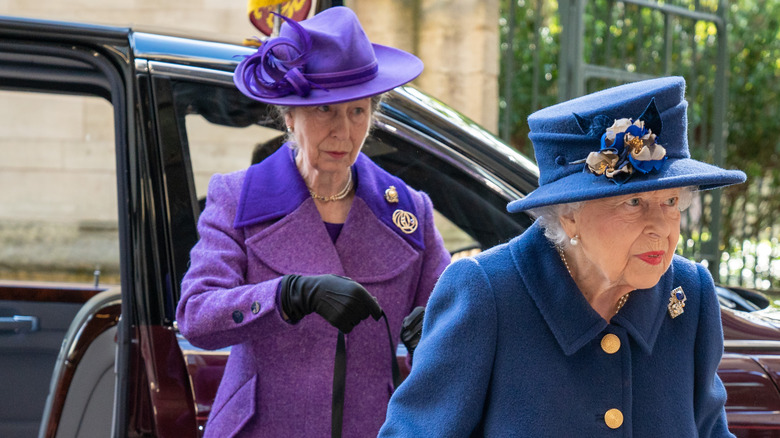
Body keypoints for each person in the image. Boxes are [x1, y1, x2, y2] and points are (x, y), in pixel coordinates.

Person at [379, 76, 745, 437]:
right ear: (570, 214)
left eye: (670, 201)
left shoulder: (689, 294)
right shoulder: (488, 295)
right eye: (633, 202)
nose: (661, 228)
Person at [176, 7, 450, 438]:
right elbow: (196, 317)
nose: (343, 132)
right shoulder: (237, 198)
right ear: (289, 114)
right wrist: (287, 294)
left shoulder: (409, 213)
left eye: (357, 112)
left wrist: (433, 343)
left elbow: (454, 331)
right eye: (324, 110)